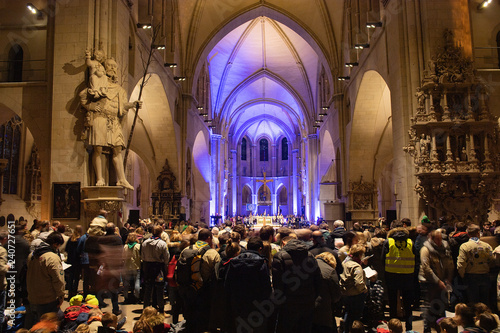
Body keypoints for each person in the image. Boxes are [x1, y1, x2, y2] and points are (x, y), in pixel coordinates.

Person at [79, 56, 142, 189]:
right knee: (98, 149)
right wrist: (90, 107)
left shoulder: (120, 90)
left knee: (117, 148)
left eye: (115, 66)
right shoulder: (98, 83)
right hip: (99, 118)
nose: (113, 68)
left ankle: (121, 179)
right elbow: (83, 95)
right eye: (110, 65)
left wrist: (133, 105)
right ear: (104, 67)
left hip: (113, 121)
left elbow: (122, 107)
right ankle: (99, 179)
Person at [272, 237, 320, 333]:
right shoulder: (310, 256)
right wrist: (313, 297)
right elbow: (317, 279)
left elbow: (278, 283)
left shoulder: (280, 256)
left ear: (284, 244)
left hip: (288, 303)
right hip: (307, 301)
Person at [224, 237, 272, 332]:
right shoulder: (262, 262)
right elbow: (266, 288)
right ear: (260, 249)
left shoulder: (234, 261)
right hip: (258, 306)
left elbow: (227, 285)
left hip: (238, 305)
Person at [25, 232, 65, 328]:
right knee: (48, 326)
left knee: (35, 325)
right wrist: (61, 295)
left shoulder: (32, 255)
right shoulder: (52, 258)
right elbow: (58, 280)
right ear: (55, 244)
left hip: (32, 297)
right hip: (47, 298)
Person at [419, 229, 454, 333]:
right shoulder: (425, 250)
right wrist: (437, 281)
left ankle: (441, 327)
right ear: (432, 239)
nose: (439, 242)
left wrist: (448, 278)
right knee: (428, 307)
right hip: (428, 282)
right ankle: (427, 328)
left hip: (442, 282)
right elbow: (426, 268)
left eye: (440, 239)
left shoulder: (445, 248)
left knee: (442, 305)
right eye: (437, 239)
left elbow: (450, 264)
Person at [383, 226, 416, 331]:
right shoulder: (411, 242)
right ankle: (409, 328)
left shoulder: (389, 242)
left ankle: (393, 327)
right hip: (408, 276)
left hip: (392, 275)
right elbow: (416, 258)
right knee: (407, 305)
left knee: (393, 304)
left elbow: (383, 258)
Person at [457, 224, 493, 304]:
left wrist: (462, 275)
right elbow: (492, 260)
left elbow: (461, 264)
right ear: (478, 233)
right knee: (485, 302)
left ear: (468, 234)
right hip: (485, 275)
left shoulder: (465, 246)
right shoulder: (486, 246)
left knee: (473, 302)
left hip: (471, 276)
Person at [96, 223, 124, 315]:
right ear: (114, 230)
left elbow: (98, 253)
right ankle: (115, 309)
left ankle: (99, 308)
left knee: (101, 289)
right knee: (114, 290)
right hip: (115, 267)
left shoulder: (102, 239)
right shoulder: (117, 239)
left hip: (104, 267)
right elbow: (121, 252)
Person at [141, 225, 170, 314]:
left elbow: (142, 255)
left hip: (148, 267)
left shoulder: (145, 243)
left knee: (148, 289)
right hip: (158, 268)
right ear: (161, 233)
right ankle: (161, 310)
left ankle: (145, 310)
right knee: (159, 290)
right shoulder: (162, 243)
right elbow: (167, 257)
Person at [340, 244, 367, 333]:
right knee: (354, 317)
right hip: (355, 295)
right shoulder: (356, 266)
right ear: (359, 255)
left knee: (347, 313)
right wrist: (364, 289)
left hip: (345, 293)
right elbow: (359, 283)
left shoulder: (344, 262)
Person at [313, 251, 341, 333]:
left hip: (307, 309)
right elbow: (336, 296)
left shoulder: (309, 266)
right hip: (323, 311)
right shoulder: (330, 271)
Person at [66, 225, 84, 299]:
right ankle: (74, 291)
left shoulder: (70, 239)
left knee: (71, 277)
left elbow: (66, 248)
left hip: (70, 260)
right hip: (77, 260)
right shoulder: (80, 239)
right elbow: (80, 250)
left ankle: (70, 292)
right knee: (76, 277)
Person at [123, 233, 141, 304]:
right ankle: (137, 297)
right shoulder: (138, 246)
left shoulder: (125, 246)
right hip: (136, 266)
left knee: (126, 283)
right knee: (137, 281)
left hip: (127, 267)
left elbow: (123, 257)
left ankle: (126, 297)